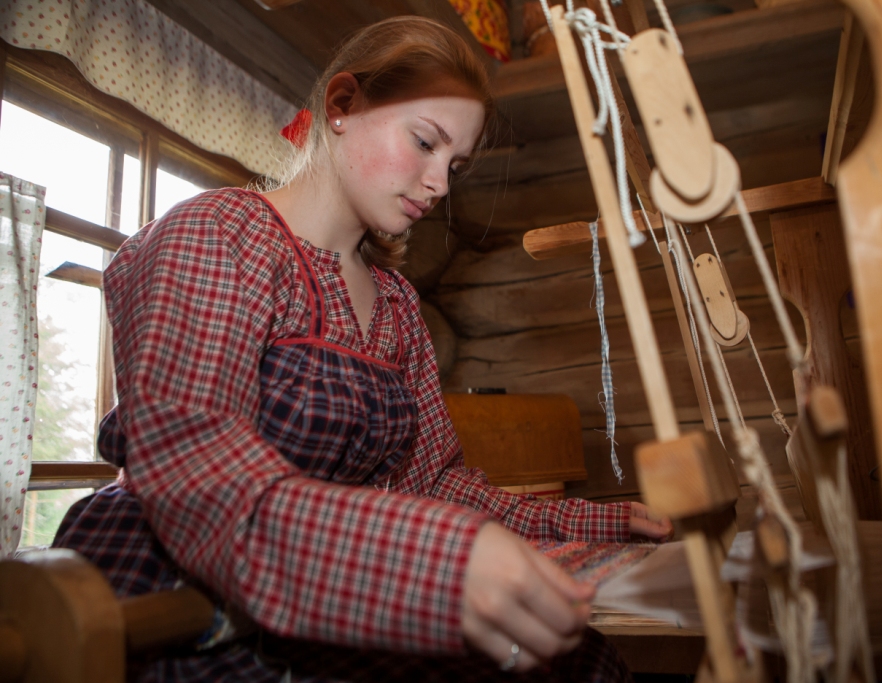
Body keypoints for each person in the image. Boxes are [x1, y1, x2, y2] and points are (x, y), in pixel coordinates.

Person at [53, 15, 671, 682]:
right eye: (425, 142)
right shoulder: (219, 234)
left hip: (324, 600)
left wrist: (591, 523)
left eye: (454, 164)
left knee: (579, 660)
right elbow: (201, 477)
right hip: (171, 610)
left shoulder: (398, 306)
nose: (439, 184)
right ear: (342, 105)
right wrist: (440, 560)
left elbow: (435, 484)